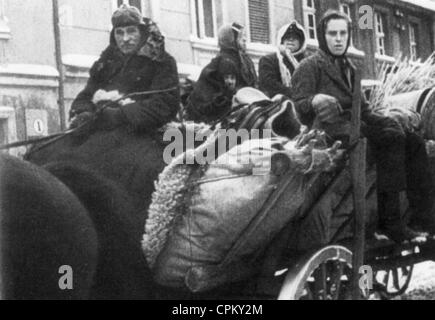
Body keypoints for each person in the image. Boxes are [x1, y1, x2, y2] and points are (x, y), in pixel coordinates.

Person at [291, 10, 435, 243]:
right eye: (332, 34)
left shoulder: (351, 68)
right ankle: (389, 222)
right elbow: (299, 107)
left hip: (357, 125)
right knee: (391, 139)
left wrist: (389, 120)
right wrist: (314, 100)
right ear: (322, 36)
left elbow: (365, 110)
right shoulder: (309, 66)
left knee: (413, 140)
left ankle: (424, 219)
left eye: (343, 33)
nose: (338, 39)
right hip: (330, 132)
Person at [69, 4, 180, 133]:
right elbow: (85, 96)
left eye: (131, 31)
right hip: (107, 133)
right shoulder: (106, 63)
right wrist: (84, 113)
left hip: (145, 134)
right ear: (113, 36)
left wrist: (119, 115)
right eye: (119, 33)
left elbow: (164, 106)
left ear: (142, 33)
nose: (125, 39)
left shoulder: (161, 62)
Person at [184, 23, 257, 124]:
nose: (244, 39)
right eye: (240, 37)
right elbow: (227, 95)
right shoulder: (226, 61)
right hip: (215, 114)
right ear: (231, 40)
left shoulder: (242, 60)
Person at [259, 21, 307, 99]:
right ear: (281, 40)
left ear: (301, 42)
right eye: (287, 37)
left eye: (295, 37)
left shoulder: (306, 62)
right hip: (276, 103)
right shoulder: (268, 60)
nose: (291, 39)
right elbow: (270, 86)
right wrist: (297, 93)